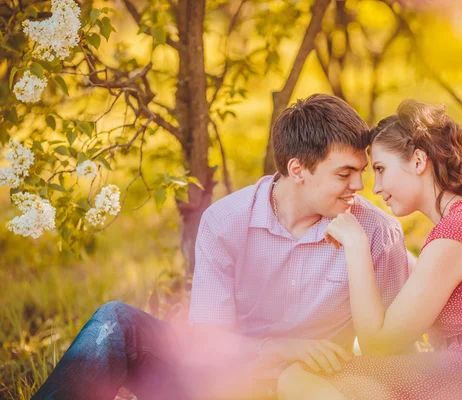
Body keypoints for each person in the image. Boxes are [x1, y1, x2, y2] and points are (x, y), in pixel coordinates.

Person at [32, 94, 413, 400]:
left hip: (305, 389)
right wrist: (281, 347)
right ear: (297, 170)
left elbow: (395, 348)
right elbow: (208, 344)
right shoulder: (226, 221)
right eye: (344, 174)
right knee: (116, 322)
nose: (359, 187)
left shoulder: (376, 233)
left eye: (361, 172)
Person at [278, 99, 462, 400]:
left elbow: (378, 346)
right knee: (356, 385)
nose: (376, 187)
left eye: (381, 169)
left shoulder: (458, 231)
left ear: (419, 161)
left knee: (299, 376)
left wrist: (356, 245)